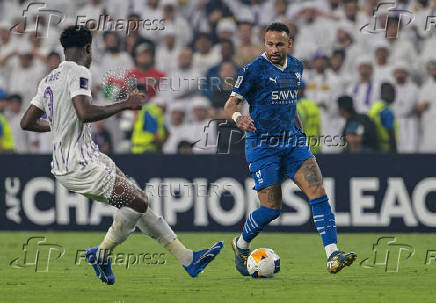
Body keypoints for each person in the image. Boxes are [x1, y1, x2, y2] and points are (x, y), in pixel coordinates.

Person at [20, 25, 223, 285]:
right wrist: (126, 104)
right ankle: (101, 254)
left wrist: (57, 124)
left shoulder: (48, 79)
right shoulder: (80, 71)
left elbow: (27, 122)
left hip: (85, 157)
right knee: (136, 201)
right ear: (87, 49)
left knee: (140, 202)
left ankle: (187, 258)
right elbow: (84, 112)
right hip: (78, 164)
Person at [224, 22, 356, 275]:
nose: (274, 49)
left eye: (279, 44)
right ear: (265, 43)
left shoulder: (296, 66)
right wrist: (239, 119)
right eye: (269, 44)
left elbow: (290, 103)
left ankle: (332, 254)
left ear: (289, 44)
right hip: (262, 145)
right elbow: (231, 104)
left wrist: (300, 131)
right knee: (271, 209)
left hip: (293, 142)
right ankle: (241, 244)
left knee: (317, 190)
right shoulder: (252, 70)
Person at [368, 82, 397, 153]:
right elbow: (390, 132)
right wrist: (394, 149)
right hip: (385, 148)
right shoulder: (386, 110)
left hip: (374, 145)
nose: (394, 96)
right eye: (392, 92)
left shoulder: (375, 107)